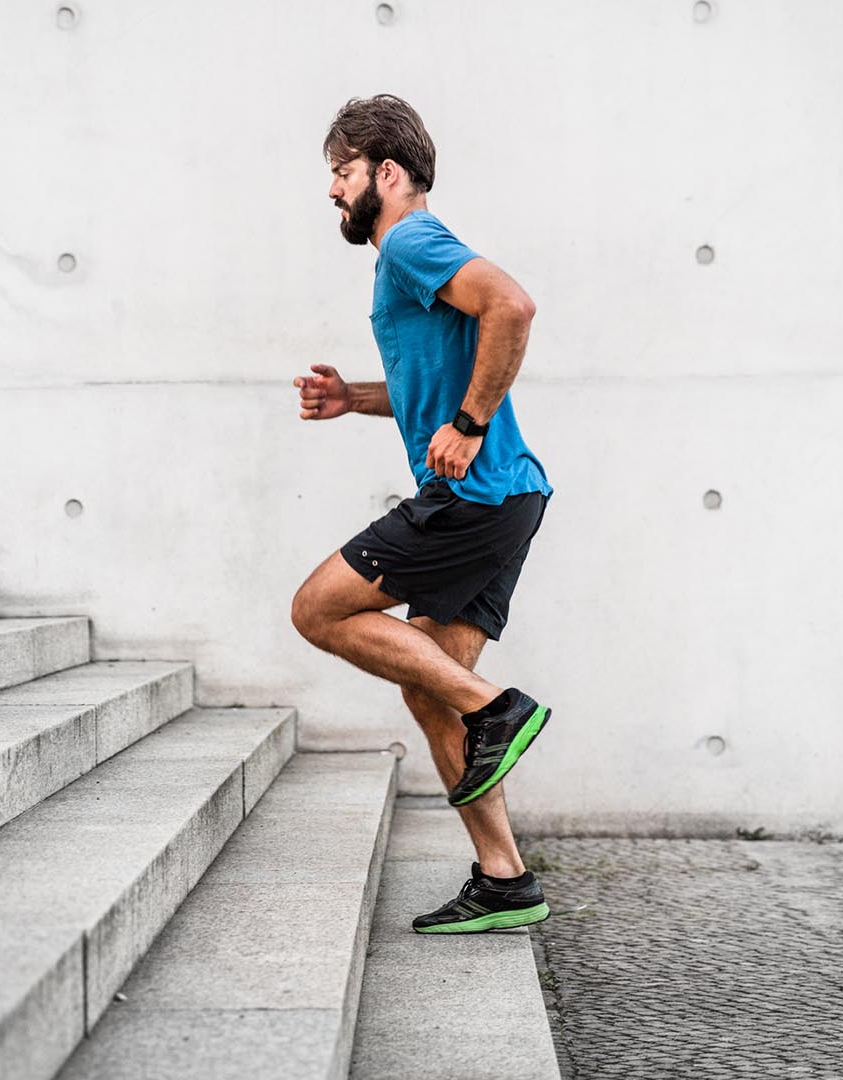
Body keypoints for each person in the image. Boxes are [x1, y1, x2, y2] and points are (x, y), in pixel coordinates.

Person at [289, 94, 556, 934]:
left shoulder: (408, 238)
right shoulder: (404, 260)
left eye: (341, 171)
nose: (333, 190)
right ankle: (504, 877)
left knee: (318, 608)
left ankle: (498, 708)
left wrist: (470, 426)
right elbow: (434, 376)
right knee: (429, 689)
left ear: (387, 172)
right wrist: (355, 398)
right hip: (510, 496)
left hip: (474, 497)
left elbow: (510, 307)